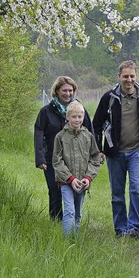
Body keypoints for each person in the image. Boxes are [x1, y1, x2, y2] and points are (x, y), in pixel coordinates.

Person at [92, 60, 139, 239]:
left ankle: (134, 228)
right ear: (119, 77)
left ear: (136, 76)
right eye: (125, 76)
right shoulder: (109, 98)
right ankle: (120, 228)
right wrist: (99, 149)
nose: (129, 80)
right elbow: (97, 124)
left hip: (138, 151)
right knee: (117, 193)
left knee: (137, 189)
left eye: (132, 76)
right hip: (115, 152)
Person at [34, 76, 93, 221]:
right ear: (57, 91)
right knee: (55, 192)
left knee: (74, 191)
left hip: (76, 159)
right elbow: (38, 134)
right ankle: (56, 222)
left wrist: (95, 154)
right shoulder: (46, 112)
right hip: (53, 159)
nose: (67, 94)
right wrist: (40, 158)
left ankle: (72, 222)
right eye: (64, 91)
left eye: (70, 90)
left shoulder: (79, 110)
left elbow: (90, 132)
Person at [52, 101, 102, 237]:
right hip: (66, 181)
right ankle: (67, 240)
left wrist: (88, 177)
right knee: (69, 210)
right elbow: (57, 161)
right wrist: (70, 178)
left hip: (82, 182)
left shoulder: (88, 136)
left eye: (80, 117)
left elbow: (95, 158)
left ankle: (75, 238)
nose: (77, 120)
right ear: (67, 117)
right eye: (74, 117)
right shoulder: (60, 137)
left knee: (78, 212)